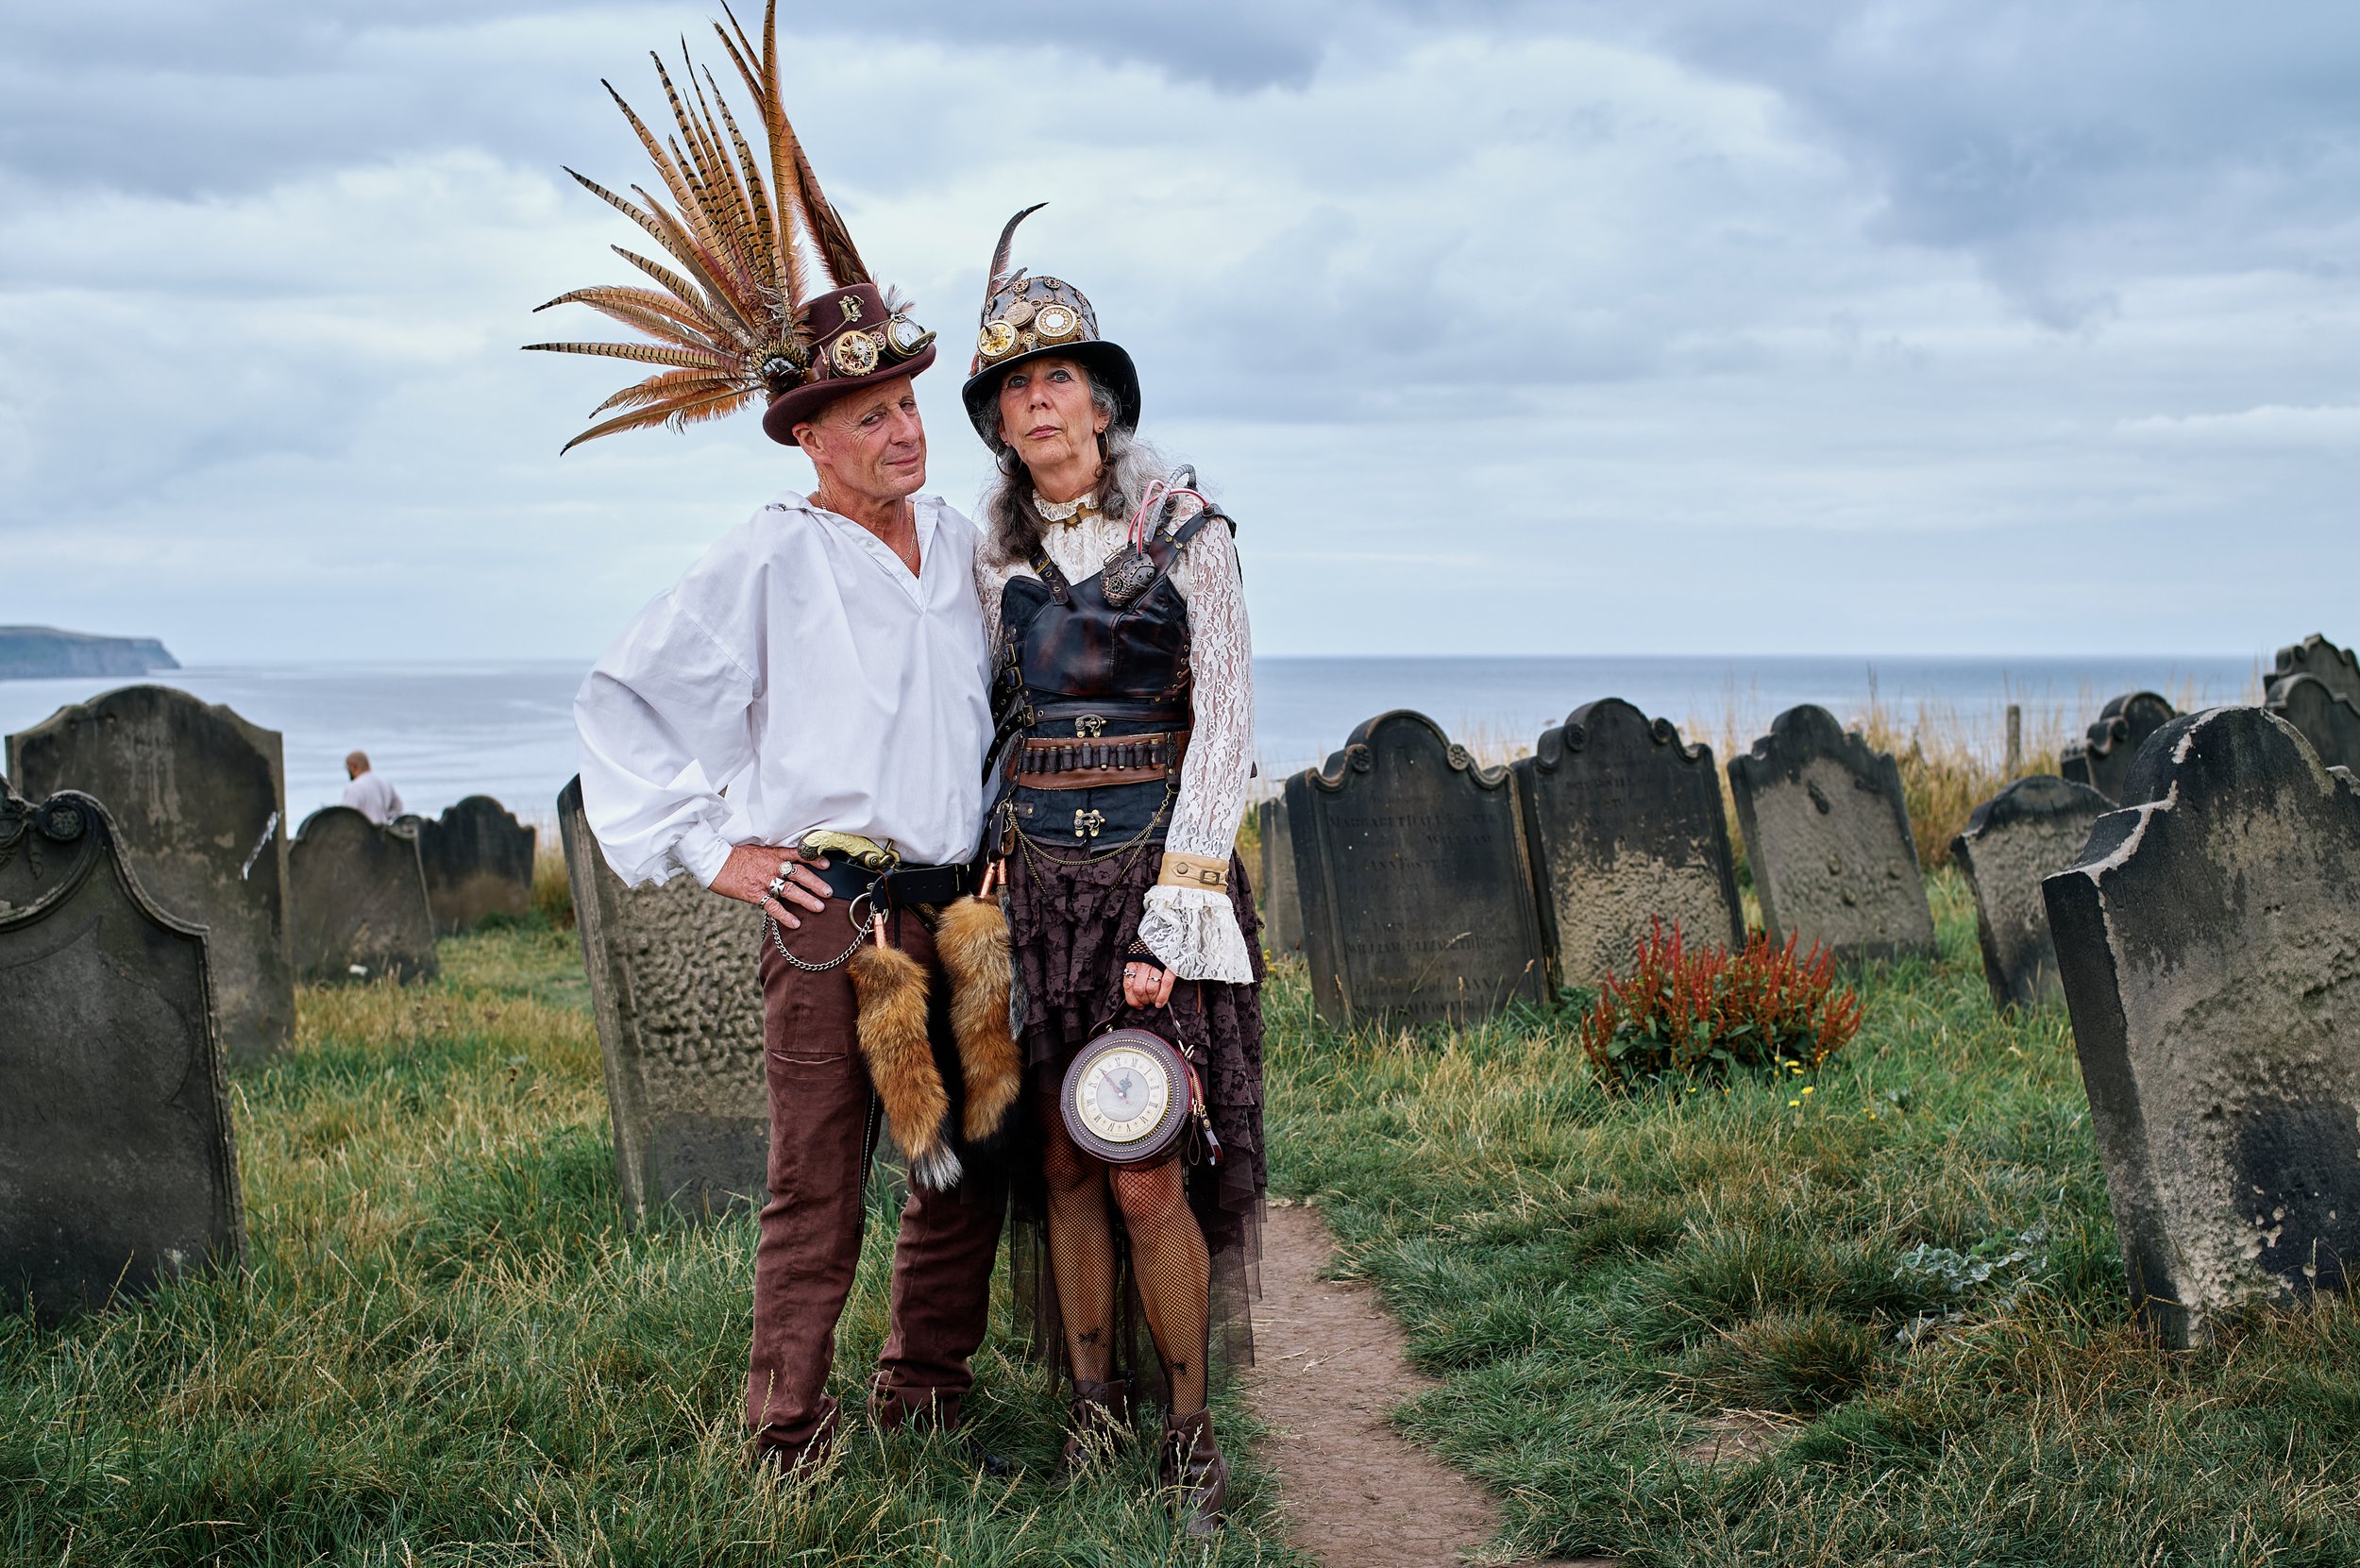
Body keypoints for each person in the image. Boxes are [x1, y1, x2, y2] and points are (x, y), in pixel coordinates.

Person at [533, 4, 1019, 1478]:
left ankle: (923, 1393)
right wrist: (718, 851)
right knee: (819, 1177)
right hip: (829, 907)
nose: (903, 432)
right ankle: (786, 1435)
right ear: (810, 436)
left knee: (968, 1162)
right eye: (868, 416)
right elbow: (621, 702)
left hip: (957, 899)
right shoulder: (764, 559)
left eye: (910, 404)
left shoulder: (963, 543)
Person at [963, 207, 1266, 1536]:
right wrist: (983, 860)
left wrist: (1177, 904)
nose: (1039, 402)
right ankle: (1093, 1421)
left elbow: (1232, 718)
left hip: (1155, 869)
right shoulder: (988, 557)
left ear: (1102, 400)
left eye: (1058, 379)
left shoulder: (1187, 527)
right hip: (1033, 883)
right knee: (1065, 1163)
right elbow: (993, 717)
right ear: (1000, 421)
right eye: (1016, 388)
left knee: (1142, 1155)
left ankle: (1190, 1440)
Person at [340, 751, 402, 825]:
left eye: (347, 768)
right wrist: (385, 817)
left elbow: (346, 816)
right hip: (382, 831)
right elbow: (398, 807)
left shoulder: (355, 786)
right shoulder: (384, 782)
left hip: (363, 832)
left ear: (353, 766)